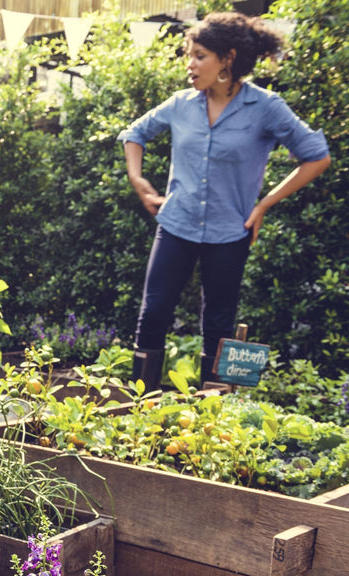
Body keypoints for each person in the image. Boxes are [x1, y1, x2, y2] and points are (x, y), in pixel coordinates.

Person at [119, 11, 330, 388]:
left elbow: (317, 156)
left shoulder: (265, 107)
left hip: (230, 232)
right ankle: (139, 408)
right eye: (189, 54)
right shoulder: (181, 103)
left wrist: (264, 204)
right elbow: (135, 133)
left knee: (218, 324)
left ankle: (212, 417)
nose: (190, 64)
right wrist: (138, 178)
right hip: (176, 224)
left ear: (227, 59)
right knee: (152, 315)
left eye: (199, 55)